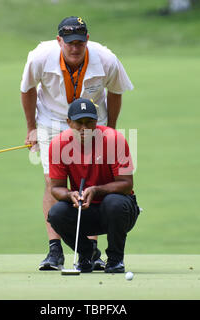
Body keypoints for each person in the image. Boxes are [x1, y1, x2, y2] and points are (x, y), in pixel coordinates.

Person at [20, 16, 134, 270]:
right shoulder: (39, 57)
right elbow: (27, 89)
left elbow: (116, 91)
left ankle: (90, 251)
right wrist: (31, 128)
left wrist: (111, 129)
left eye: (80, 42)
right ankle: (55, 250)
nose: (74, 47)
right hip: (52, 119)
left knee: (94, 182)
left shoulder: (106, 60)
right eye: (69, 42)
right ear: (59, 40)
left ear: (87, 41)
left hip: (92, 118)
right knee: (52, 180)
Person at [47, 98, 140, 273]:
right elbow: (56, 187)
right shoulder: (58, 145)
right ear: (69, 123)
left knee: (114, 202)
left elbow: (127, 185)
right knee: (56, 213)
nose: (84, 129)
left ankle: (115, 260)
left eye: (89, 123)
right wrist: (70, 195)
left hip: (118, 212)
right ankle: (88, 253)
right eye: (78, 123)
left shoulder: (114, 139)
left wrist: (97, 190)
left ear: (96, 122)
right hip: (84, 211)